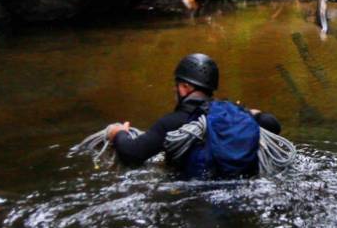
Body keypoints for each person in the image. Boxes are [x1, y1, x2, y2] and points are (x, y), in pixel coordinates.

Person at [106, 53, 283, 173]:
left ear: (184, 87)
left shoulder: (172, 123)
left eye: (176, 86)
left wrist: (118, 133)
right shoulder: (233, 115)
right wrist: (252, 114)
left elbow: (132, 154)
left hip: (195, 195)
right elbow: (273, 125)